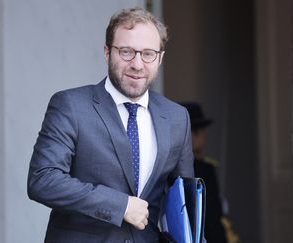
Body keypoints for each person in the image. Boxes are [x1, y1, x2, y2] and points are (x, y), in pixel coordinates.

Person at [28, 7, 195, 243]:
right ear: (107, 53)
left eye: (148, 54)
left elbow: (185, 204)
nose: (137, 64)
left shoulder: (178, 117)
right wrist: (121, 205)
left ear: (160, 58)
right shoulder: (71, 105)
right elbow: (42, 180)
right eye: (126, 52)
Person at [181, 102, 229, 243]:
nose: (204, 136)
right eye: (201, 131)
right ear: (193, 134)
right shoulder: (203, 171)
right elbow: (212, 218)